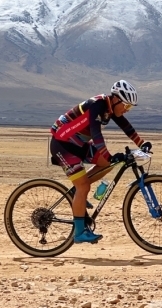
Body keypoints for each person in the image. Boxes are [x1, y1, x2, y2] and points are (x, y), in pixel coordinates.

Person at [50, 80, 153, 244]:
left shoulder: (110, 108)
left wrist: (142, 143)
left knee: (106, 164)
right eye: (126, 105)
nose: (127, 110)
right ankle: (79, 233)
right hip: (63, 146)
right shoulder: (97, 105)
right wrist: (109, 155)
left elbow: (126, 127)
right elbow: (96, 134)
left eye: (130, 108)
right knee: (84, 186)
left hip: (78, 144)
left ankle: (77, 193)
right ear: (116, 99)